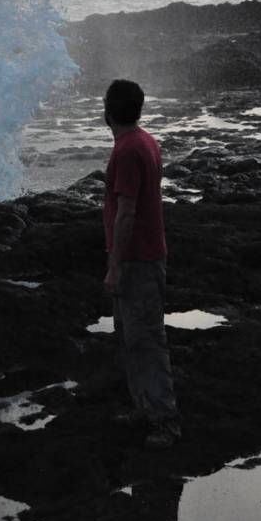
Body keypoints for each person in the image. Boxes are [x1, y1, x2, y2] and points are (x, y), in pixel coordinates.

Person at [102, 78, 181, 449]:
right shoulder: (144, 140)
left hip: (139, 259)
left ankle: (165, 421)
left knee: (146, 340)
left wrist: (114, 265)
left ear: (107, 112)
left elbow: (126, 213)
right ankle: (144, 406)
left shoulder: (128, 150)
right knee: (132, 338)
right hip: (144, 255)